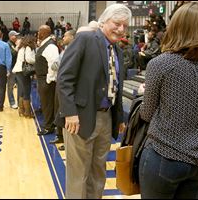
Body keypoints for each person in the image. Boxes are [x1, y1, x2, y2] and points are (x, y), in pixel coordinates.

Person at [56, 4, 131, 199]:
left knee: (98, 172)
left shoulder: (118, 51)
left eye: (125, 25)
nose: (121, 29)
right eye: (117, 24)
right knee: (78, 174)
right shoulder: (85, 39)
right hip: (80, 117)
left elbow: (115, 86)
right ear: (104, 21)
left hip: (106, 118)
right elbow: (64, 78)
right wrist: (70, 113)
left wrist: (119, 117)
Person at [138, 2, 198, 199]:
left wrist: (142, 94)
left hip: (164, 156)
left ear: (177, 27)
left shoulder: (161, 64)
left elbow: (146, 113)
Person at [35, 25, 59, 136]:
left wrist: (49, 80)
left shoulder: (50, 46)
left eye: (39, 31)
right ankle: (49, 124)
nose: (38, 33)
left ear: (44, 33)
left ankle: (49, 127)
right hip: (42, 78)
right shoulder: (45, 44)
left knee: (48, 104)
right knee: (45, 103)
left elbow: (53, 64)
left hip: (46, 79)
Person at [12, 35, 36, 118]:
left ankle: (21, 110)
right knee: (27, 91)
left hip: (18, 71)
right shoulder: (28, 48)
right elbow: (29, 59)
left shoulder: (21, 48)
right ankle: (27, 113)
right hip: (24, 72)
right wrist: (36, 60)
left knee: (22, 91)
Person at [7, 30, 20, 109]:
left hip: (18, 67)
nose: (17, 37)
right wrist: (17, 46)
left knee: (20, 86)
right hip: (11, 68)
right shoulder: (8, 44)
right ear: (11, 36)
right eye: (15, 35)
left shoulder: (14, 43)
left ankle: (19, 102)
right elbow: (12, 54)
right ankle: (12, 102)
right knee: (10, 86)